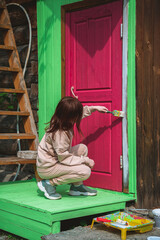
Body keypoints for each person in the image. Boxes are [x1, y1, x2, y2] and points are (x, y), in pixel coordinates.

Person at [36, 96, 108, 200]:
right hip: (48, 167)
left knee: (82, 148)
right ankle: (48, 183)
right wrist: (86, 160)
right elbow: (64, 158)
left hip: (55, 160)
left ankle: (76, 187)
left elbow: (79, 113)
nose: (79, 117)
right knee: (85, 171)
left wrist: (94, 108)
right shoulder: (60, 133)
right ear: (71, 116)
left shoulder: (61, 119)